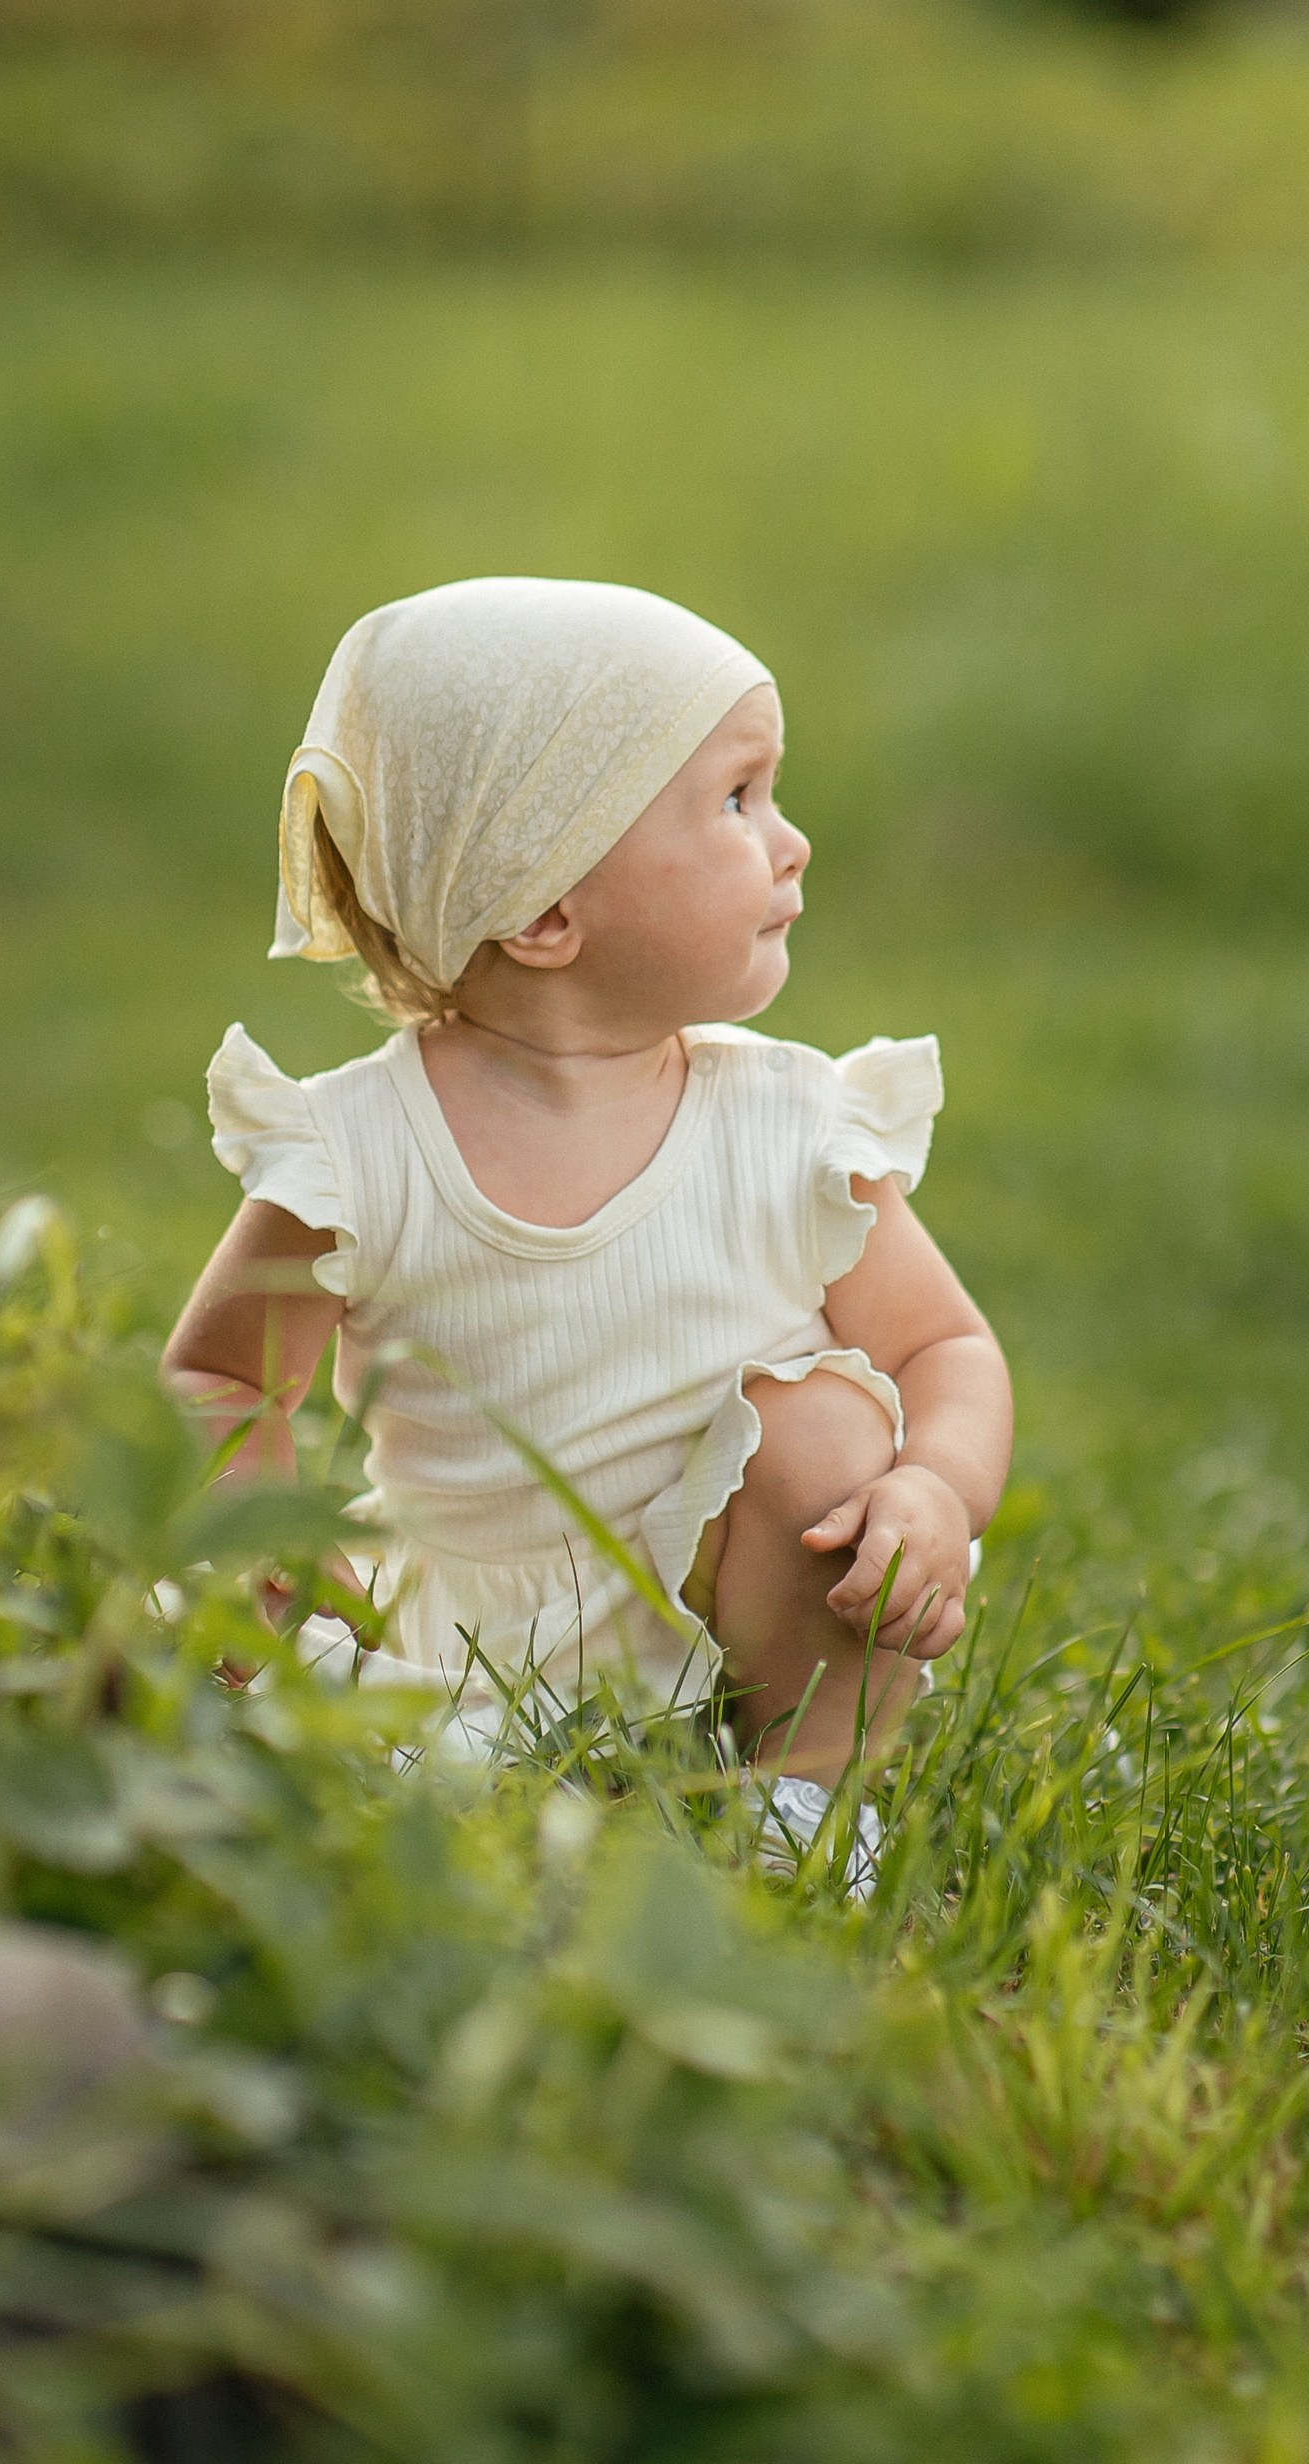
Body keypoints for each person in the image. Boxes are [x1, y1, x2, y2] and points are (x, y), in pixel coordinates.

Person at [162, 577, 1013, 1869]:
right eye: (734, 801)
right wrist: (263, 1545)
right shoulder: (360, 1152)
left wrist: (937, 1486)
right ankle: (443, 1769)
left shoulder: (789, 1124)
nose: (787, 844)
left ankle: (797, 1800)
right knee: (206, 1669)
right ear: (547, 909)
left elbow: (944, 1351)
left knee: (828, 1425)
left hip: (748, 1615)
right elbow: (222, 1377)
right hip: (461, 1658)